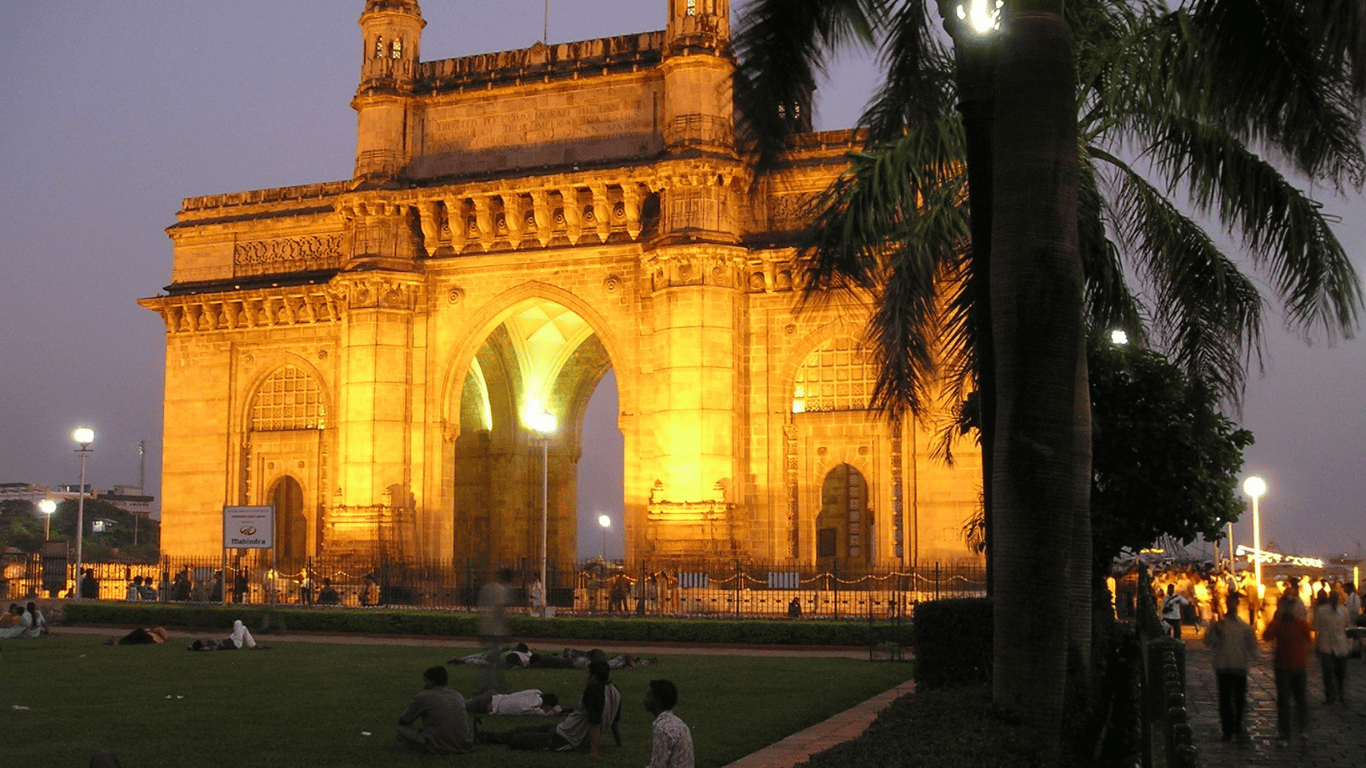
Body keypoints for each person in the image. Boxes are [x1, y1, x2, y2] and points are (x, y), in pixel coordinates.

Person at [476, 660, 622, 756]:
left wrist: (593, 753)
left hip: (565, 740)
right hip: (562, 729)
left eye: (588, 675)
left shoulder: (594, 692)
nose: (586, 678)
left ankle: (486, 737)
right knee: (522, 729)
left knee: (519, 739)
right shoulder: (615, 692)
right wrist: (619, 744)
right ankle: (485, 736)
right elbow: (615, 722)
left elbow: (595, 723)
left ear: (595, 677)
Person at [1204, 593, 1258, 741]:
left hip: (1239, 667)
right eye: (1230, 602)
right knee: (1225, 700)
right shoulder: (1220, 625)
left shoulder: (1244, 627)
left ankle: (1237, 726)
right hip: (1224, 667)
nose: (1232, 605)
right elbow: (1209, 641)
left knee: (1239, 700)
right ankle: (1228, 728)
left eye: (1234, 602)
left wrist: (1250, 657)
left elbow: (1253, 647)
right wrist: (1215, 631)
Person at [393, 665, 474, 755]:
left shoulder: (423, 696)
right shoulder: (458, 695)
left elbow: (404, 720)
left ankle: (404, 752)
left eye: (425, 681)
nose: (424, 684)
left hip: (438, 745)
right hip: (464, 744)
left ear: (432, 682)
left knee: (401, 730)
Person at [1263, 603, 1313, 745]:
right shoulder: (1281, 625)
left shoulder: (1301, 625)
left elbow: (1308, 642)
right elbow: (1267, 636)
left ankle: (1296, 729)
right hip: (1288, 667)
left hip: (1292, 667)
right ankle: (1288, 731)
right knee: (1289, 701)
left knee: (1296, 700)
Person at [476, 568, 512, 692]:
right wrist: (506, 630)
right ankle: (497, 686)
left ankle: (486, 686)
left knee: (491, 659)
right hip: (495, 629)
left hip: (485, 627)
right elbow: (500, 610)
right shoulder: (501, 590)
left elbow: (481, 609)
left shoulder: (487, 588)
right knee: (494, 660)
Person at [644, 679, 694, 768]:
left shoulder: (662, 729)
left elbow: (658, 765)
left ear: (657, 700)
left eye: (648, 696)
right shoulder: (680, 724)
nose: (644, 699)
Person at [1312, 590, 1351, 704]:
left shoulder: (1323, 610)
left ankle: (1335, 695)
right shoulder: (1342, 611)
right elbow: (1346, 626)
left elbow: (1316, 627)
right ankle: (1336, 695)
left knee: (1335, 673)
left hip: (1333, 645)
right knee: (1332, 673)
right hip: (1331, 645)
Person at [465, 689, 560, 716]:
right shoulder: (534, 709)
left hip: (494, 695)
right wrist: (556, 709)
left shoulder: (536, 692)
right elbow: (547, 713)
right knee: (459, 705)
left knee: (465, 703)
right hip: (488, 704)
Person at [187, 619, 263, 651]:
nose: (203, 641)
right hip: (235, 644)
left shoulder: (208, 643)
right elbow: (206, 649)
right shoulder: (210, 646)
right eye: (202, 642)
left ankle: (253, 645)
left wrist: (192, 647)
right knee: (238, 622)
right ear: (202, 645)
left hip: (230, 639)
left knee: (244, 628)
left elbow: (192, 646)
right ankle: (253, 645)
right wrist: (201, 648)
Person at [105, 627, 169, 646]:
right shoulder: (154, 633)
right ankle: (118, 642)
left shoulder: (160, 636)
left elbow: (165, 637)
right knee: (134, 640)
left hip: (150, 638)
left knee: (138, 632)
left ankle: (118, 642)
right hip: (149, 638)